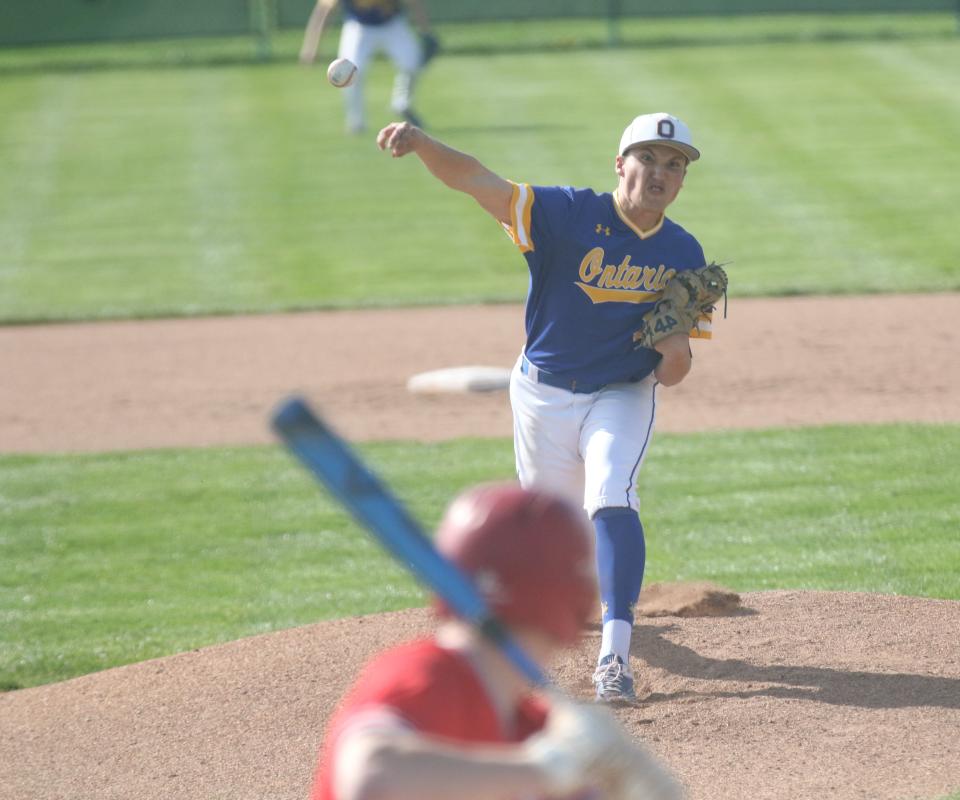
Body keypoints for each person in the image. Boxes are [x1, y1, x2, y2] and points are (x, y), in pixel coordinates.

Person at [376, 112, 716, 704]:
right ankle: (557, 612)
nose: (660, 173)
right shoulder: (564, 214)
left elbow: (674, 374)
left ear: (682, 179)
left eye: (674, 164)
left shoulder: (684, 251)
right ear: (620, 164)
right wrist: (424, 142)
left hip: (622, 393)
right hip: (542, 393)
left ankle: (615, 656)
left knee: (611, 493)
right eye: (648, 158)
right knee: (555, 529)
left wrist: (676, 348)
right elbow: (479, 181)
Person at [309, 482, 682, 800]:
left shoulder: (531, 729)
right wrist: (545, 768)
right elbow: (371, 777)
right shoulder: (424, 675)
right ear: (570, 597)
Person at [299, 0, 434, 134]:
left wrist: (426, 32)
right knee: (349, 72)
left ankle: (402, 103)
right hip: (359, 27)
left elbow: (414, 3)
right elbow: (324, 10)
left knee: (411, 61)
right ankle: (356, 121)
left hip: (392, 25)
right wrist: (311, 46)